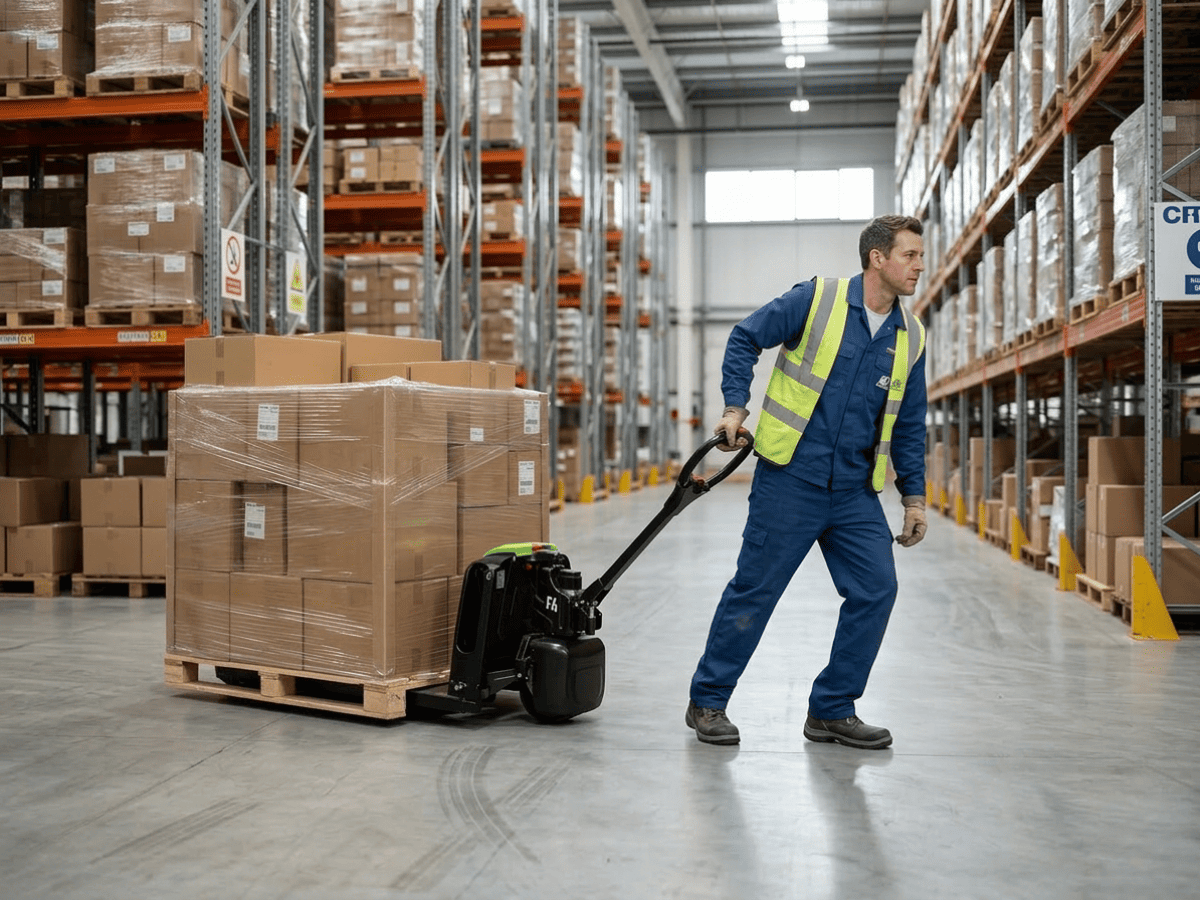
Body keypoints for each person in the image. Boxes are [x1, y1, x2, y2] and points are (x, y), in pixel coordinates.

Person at [685, 215, 929, 750]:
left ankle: (832, 709)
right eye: (909, 255)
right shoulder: (817, 299)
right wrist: (734, 406)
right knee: (756, 590)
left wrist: (913, 498)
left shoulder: (911, 336)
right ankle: (708, 700)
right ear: (877, 258)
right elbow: (746, 336)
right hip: (790, 478)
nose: (919, 265)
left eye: (919, 255)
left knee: (876, 589)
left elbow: (910, 422)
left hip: (855, 491)